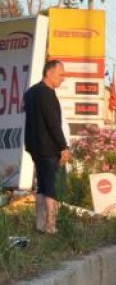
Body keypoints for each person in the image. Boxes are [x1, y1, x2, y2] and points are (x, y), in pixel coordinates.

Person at [23, 60, 68, 234]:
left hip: (35, 147)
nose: (62, 79)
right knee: (51, 187)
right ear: (49, 73)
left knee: (42, 186)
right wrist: (63, 146)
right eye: (60, 74)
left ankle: (40, 225)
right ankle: (50, 225)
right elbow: (52, 123)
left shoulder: (30, 93)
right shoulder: (47, 94)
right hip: (49, 148)